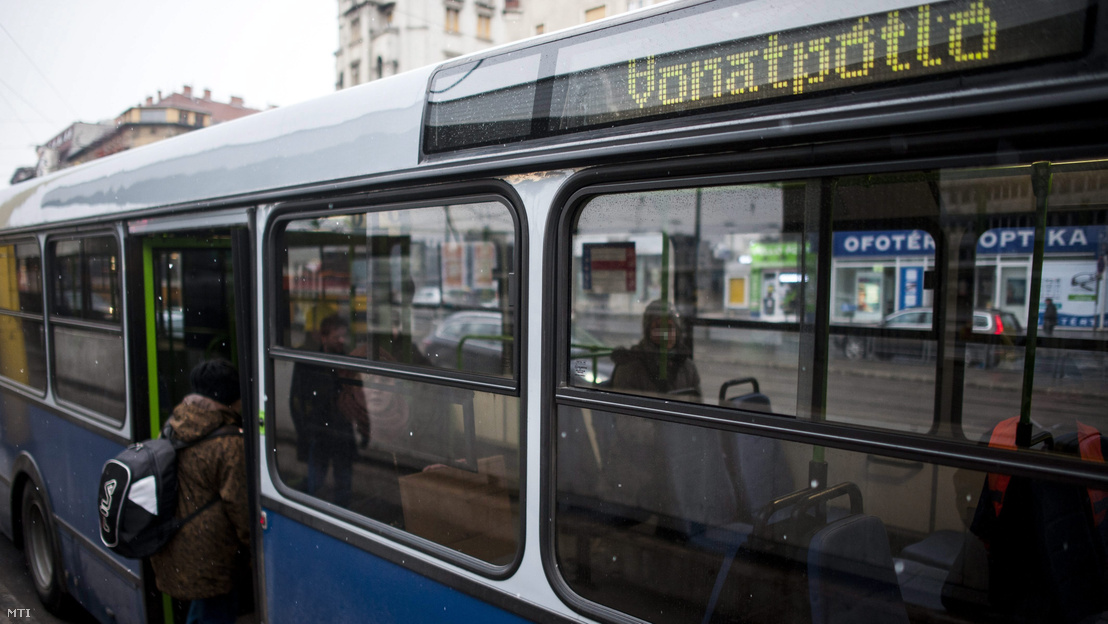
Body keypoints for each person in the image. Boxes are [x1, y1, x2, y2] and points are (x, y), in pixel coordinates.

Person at [150, 360, 249, 624]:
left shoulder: (175, 423)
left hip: (175, 544)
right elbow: (241, 509)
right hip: (211, 557)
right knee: (214, 612)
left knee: (203, 611)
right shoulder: (229, 443)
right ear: (232, 398)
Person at [289, 314, 361, 507]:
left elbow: (357, 397)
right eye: (337, 337)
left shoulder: (347, 362)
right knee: (316, 481)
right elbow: (296, 400)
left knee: (343, 484)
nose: (342, 341)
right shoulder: (310, 363)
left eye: (344, 336)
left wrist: (363, 425)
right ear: (324, 337)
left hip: (342, 431)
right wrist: (303, 430)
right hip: (318, 430)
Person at [611, 299, 702, 401]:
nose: (665, 335)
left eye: (669, 327)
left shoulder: (688, 368)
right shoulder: (629, 368)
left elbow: (697, 403)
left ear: (677, 331)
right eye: (659, 328)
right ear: (648, 332)